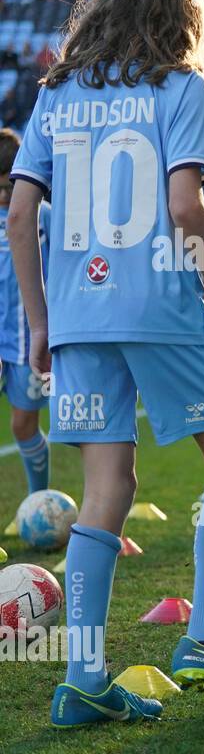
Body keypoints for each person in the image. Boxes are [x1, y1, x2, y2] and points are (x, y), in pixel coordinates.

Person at [9, 0, 204, 727]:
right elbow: (185, 205)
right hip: (158, 307)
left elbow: (17, 216)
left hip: (76, 318)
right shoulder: (181, 87)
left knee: (106, 490)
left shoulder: (54, 94)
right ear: (182, 23)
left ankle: (82, 678)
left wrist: (39, 322)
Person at [0, 128, 52, 499]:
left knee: (23, 425)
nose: (5, 195)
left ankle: (37, 501)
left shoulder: (43, 216)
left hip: (24, 343)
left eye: (9, 185)